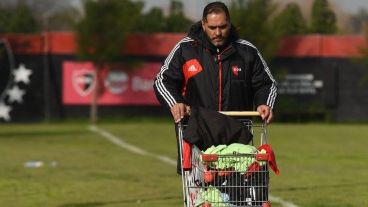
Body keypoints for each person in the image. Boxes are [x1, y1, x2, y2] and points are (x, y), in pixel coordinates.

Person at [153, 1, 277, 123]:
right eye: (212, 27)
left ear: (229, 23)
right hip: (195, 131)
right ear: (203, 24)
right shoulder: (185, 49)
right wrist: (175, 103)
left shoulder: (247, 52)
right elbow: (163, 81)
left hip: (238, 133)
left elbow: (267, 83)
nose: (217, 33)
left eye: (222, 27)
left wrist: (264, 103)